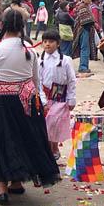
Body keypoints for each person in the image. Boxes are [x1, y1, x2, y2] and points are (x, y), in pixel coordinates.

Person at [0, 9, 60, 205]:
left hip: (4, 102)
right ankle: (17, 181)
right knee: (24, 139)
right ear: (22, 26)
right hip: (28, 102)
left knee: (3, 140)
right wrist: (43, 102)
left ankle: (2, 187)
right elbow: (36, 81)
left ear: (2, 24)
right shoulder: (29, 49)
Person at [39, 29, 77, 160]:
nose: (47, 44)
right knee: (47, 124)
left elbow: (71, 80)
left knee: (54, 122)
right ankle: (51, 149)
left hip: (60, 97)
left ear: (58, 43)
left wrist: (72, 99)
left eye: (51, 41)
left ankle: (53, 148)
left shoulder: (65, 60)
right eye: (45, 41)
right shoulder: (40, 61)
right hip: (45, 96)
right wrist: (42, 100)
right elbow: (38, 81)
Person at [73, 0, 97, 75]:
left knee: (86, 49)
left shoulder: (87, 7)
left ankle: (84, 66)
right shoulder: (82, 7)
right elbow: (85, 20)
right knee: (84, 49)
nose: (89, 0)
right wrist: (93, 22)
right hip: (83, 30)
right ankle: (83, 67)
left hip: (87, 29)